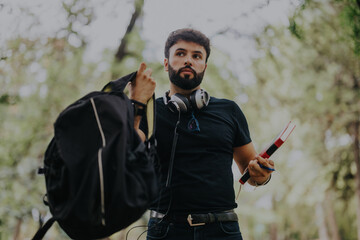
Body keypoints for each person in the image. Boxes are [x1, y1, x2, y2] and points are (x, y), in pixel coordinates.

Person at [128, 28, 274, 240]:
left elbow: (250, 173)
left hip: (222, 230)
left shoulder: (229, 110)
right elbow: (125, 154)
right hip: (165, 230)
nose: (188, 60)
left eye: (196, 56)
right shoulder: (148, 111)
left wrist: (262, 176)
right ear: (166, 63)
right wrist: (137, 103)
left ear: (204, 66)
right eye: (180, 53)